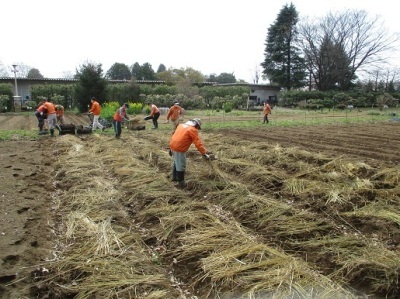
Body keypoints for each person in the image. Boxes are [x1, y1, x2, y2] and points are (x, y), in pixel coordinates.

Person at [169, 118, 210, 188]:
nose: (197, 128)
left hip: (173, 145)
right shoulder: (192, 130)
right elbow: (198, 143)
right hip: (179, 148)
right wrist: (204, 153)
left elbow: (174, 135)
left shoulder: (181, 125)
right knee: (181, 165)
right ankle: (181, 183)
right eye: (197, 127)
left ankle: (174, 177)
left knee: (176, 162)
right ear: (196, 125)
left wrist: (170, 148)